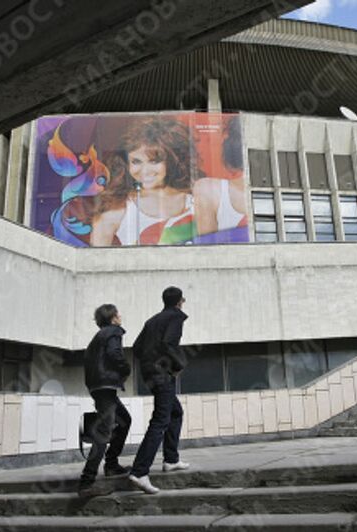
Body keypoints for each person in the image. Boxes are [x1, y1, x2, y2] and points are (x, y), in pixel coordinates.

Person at [90, 117, 246, 246]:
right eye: (136, 162)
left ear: (172, 161)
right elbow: (95, 267)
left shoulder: (197, 199)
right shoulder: (115, 212)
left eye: (154, 161)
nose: (145, 171)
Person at [129, 286, 190, 494]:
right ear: (179, 301)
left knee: (175, 412)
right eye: (183, 299)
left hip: (151, 375)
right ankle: (139, 471)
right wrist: (179, 365)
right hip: (162, 375)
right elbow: (168, 344)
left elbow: (137, 348)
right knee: (161, 420)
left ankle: (171, 459)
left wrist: (150, 365)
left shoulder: (152, 320)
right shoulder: (175, 317)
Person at [78, 304, 132, 498]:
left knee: (124, 420)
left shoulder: (97, 337)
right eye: (118, 313)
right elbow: (115, 355)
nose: (120, 315)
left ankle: (111, 465)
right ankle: (86, 482)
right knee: (103, 432)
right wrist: (126, 370)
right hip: (105, 386)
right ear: (112, 317)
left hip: (97, 387)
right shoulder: (113, 332)